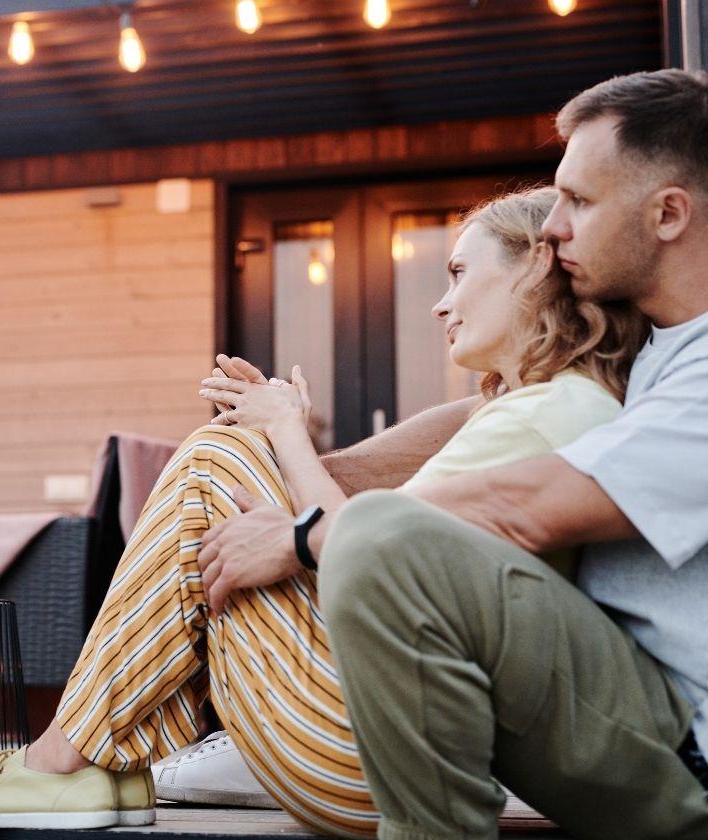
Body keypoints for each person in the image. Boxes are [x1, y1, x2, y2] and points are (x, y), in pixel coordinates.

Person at [0, 185, 647, 837]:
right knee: (225, 460)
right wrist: (273, 451)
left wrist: (287, 430)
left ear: (533, 271)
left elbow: (367, 557)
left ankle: (67, 759)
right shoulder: (544, 405)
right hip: (392, 737)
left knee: (209, 462)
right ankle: (104, 764)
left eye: (459, 272)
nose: (441, 304)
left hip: (373, 753)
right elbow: (374, 516)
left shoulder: (544, 416)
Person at [227, 69, 708, 839]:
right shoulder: (654, 345)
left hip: (685, 750)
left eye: (580, 201)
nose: (552, 227)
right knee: (224, 473)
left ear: (669, 213)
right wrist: (323, 455)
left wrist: (301, 533)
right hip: (617, 699)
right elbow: (495, 406)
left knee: (382, 540)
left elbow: (523, 508)